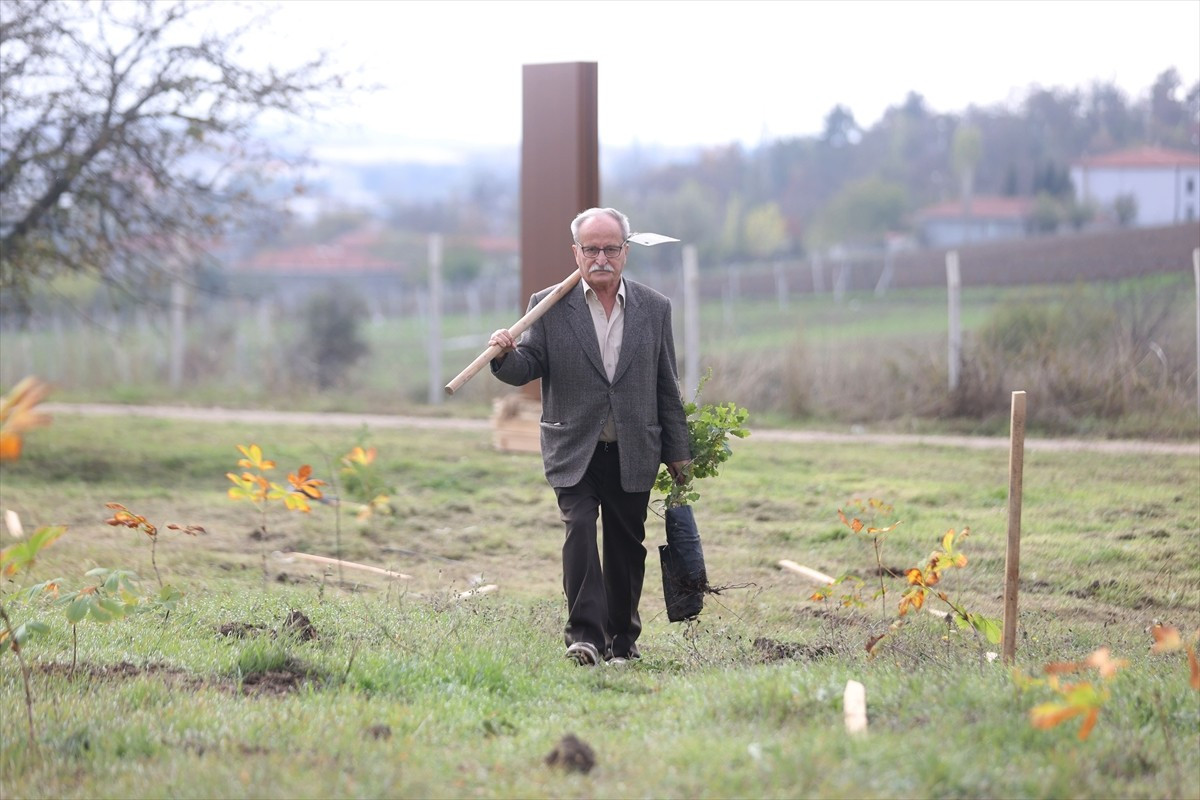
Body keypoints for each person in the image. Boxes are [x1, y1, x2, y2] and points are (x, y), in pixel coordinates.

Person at [488, 207, 692, 666]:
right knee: (579, 529)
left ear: (626, 251)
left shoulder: (654, 308)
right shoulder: (549, 305)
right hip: (573, 446)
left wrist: (678, 451)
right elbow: (528, 366)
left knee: (625, 544)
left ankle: (622, 642)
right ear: (576, 253)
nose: (602, 258)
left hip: (633, 447)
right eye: (592, 249)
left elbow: (666, 383)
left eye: (611, 249)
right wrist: (504, 355)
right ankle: (584, 638)